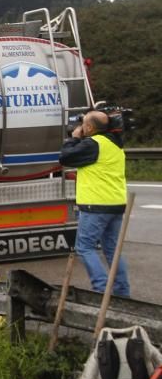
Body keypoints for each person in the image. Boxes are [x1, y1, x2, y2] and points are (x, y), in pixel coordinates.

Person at [59, 110, 130, 297]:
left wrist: (73, 138)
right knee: (112, 250)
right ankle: (122, 292)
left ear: (89, 127)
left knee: (85, 247)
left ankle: (101, 290)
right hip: (116, 204)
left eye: (84, 124)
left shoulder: (93, 144)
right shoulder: (115, 144)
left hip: (95, 205)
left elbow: (65, 158)